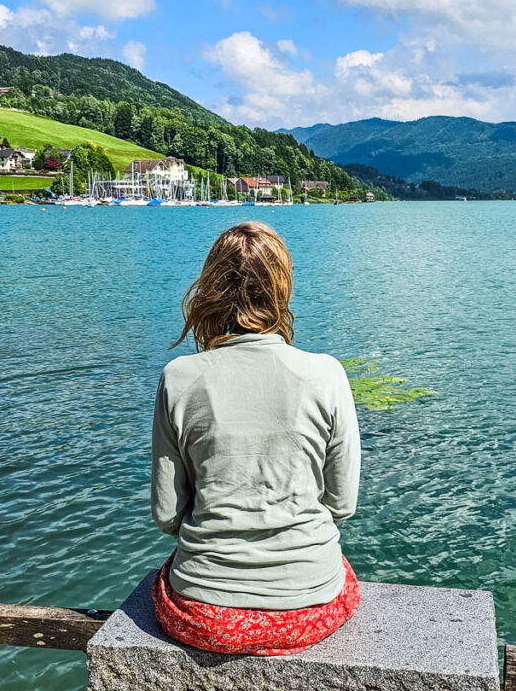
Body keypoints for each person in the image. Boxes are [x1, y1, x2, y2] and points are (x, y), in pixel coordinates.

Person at [151, 220, 361, 656]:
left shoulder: (178, 378)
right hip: (309, 606)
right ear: (281, 290)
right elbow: (342, 505)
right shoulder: (327, 374)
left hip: (206, 613)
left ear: (208, 290)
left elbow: (168, 515)